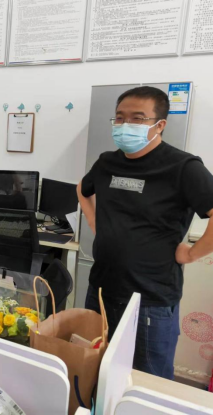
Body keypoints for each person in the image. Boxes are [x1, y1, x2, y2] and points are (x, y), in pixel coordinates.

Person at [77, 86, 213, 379]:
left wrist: (191, 254)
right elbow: (83, 189)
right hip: (101, 289)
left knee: (146, 381)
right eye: (120, 117)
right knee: (96, 371)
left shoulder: (183, 167)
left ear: (159, 124)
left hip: (150, 299)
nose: (126, 124)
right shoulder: (107, 162)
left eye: (138, 118)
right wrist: (93, 221)